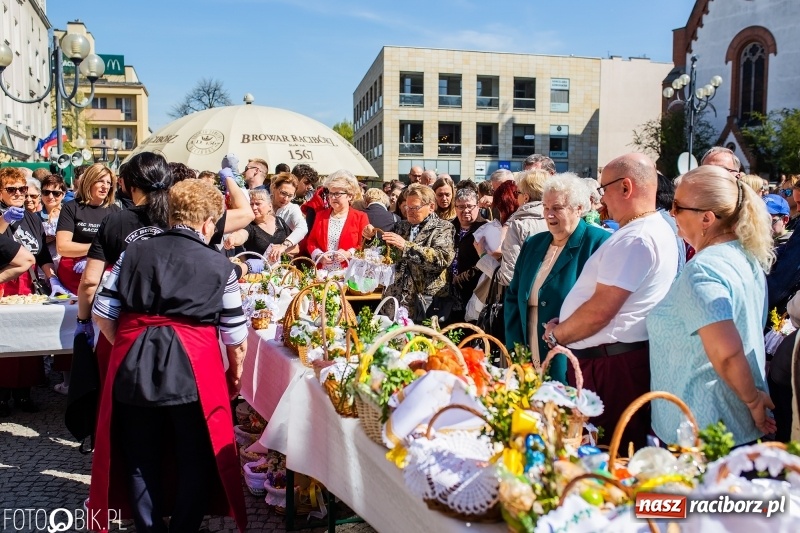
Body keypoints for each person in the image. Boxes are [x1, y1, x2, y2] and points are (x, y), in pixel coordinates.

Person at [90, 179, 248, 533]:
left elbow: (102, 310)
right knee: (194, 456)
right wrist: (235, 375)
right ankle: (184, 527)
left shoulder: (133, 253)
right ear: (208, 223)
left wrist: (129, 343)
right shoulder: (220, 265)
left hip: (134, 364)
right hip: (195, 370)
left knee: (139, 455)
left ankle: (149, 528)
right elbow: (235, 335)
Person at [543, 153, 679, 448]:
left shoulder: (637, 237)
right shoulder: (646, 229)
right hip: (612, 361)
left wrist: (558, 334)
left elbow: (601, 311)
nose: (601, 201)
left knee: (611, 452)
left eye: (604, 190)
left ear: (626, 187)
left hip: (612, 366)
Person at [647, 165, 776, 446]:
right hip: (722, 423)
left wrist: (753, 401)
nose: (671, 212)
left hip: (702, 432)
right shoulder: (743, 255)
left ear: (707, 218)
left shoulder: (704, 269)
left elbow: (727, 351)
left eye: (678, 206)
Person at [505, 174, 610, 382]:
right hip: (529, 357)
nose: (549, 214)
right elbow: (513, 297)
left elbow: (602, 304)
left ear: (579, 208)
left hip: (573, 363)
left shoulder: (598, 243)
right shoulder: (534, 243)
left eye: (557, 208)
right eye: (546, 207)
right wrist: (517, 353)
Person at [0, 167, 64, 416]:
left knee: (27, 338)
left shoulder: (31, 216)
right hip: (5, 282)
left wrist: (53, 279)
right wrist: (5, 220)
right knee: (5, 340)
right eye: (12, 189)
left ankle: (24, 394)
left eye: (22, 189)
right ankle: (2, 396)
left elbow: (42, 253)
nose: (19, 194)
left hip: (27, 284)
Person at [364, 184, 455, 322]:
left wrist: (406, 246)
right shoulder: (401, 225)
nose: (409, 211)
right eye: (407, 207)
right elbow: (384, 251)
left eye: (415, 208)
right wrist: (370, 237)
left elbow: (441, 259)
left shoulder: (443, 228)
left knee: (424, 342)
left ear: (431, 207)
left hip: (424, 302)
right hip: (395, 300)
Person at [56, 163, 121, 295]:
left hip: (103, 272)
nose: (105, 186)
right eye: (100, 181)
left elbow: (118, 248)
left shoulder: (115, 211)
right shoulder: (71, 207)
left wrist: (94, 257)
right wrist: (96, 249)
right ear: (89, 181)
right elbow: (62, 247)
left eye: (108, 183)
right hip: (73, 272)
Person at [305, 170, 369, 269]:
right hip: (323, 273)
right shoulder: (321, 215)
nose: (333, 197)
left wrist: (349, 253)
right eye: (330, 193)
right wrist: (319, 256)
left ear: (350, 196)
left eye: (337, 194)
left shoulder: (360, 217)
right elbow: (311, 241)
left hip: (349, 272)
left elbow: (364, 246)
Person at [495, 169, 549, 285]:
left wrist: (485, 260)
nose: (516, 198)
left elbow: (508, 277)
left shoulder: (518, 225)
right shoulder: (559, 220)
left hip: (526, 297)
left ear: (525, 197)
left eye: (517, 193)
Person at [448, 187, 486, 324]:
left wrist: (460, 279)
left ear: (477, 206)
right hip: (448, 293)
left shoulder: (485, 228)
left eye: (470, 206)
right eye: (461, 207)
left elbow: (486, 262)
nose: (466, 210)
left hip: (473, 291)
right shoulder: (449, 228)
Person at [224, 189, 289, 261]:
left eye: (258, 204)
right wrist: (233, 238)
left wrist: (282, 248)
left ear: (270, 206)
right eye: (251, 204)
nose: (254, 207)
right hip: (259, 271)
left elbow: (296, 248)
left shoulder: (280, 221)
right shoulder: (249, 225)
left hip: (285, 269)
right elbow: (241, 235)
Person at [267, 172, 306, 262]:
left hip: (281, 260)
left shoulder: (292, 208)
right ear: (274, 188)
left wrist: (284, 246)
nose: (286, 199)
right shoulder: (264, 203)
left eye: (290, 196)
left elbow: (302, 228)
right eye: (283, 193)